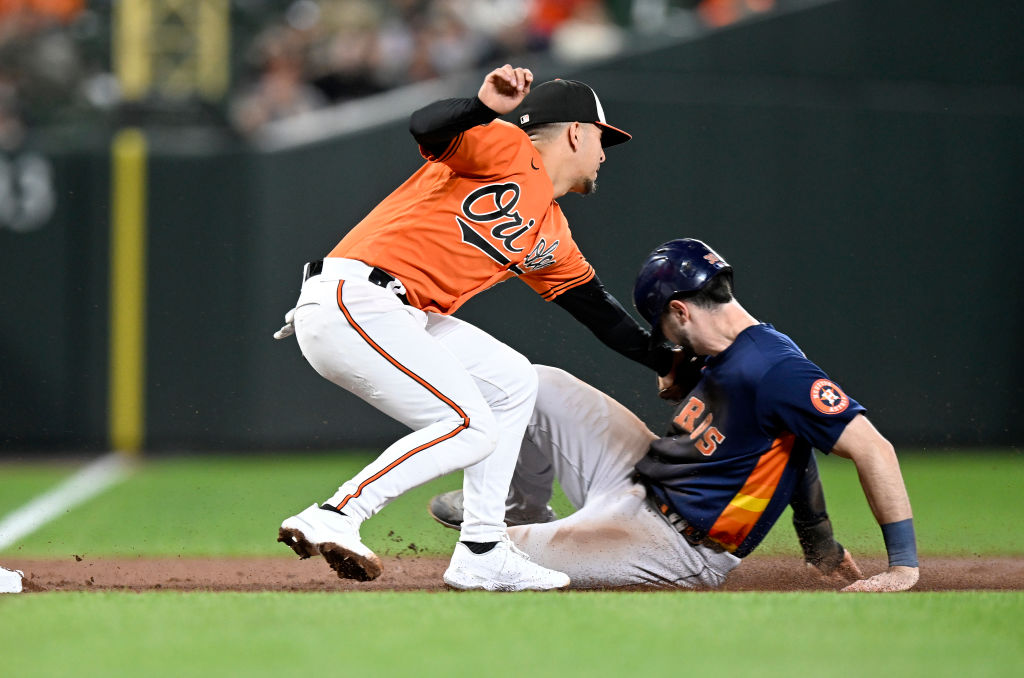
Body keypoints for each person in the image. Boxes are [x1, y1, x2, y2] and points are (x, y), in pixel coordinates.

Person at [273, 65, 678, 591]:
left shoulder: (548, 227)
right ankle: (336, 514)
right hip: (357, 298)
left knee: (513, 379)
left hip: (397, 311)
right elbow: (426, 125)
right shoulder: (509, 148)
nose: (604, 154)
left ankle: (483, 549)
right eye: (603, 139)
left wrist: (674, 362)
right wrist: (484, 107)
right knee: (472, 427)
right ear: (577, 132)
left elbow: (598, 313)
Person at [428, 239, 919, 591]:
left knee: (485, 556)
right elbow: (794, 447)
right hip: (635, 477)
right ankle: (522, 506)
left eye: (664, 326)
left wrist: (902, 566)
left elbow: (875, 449)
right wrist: (819, 542)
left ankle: (512, 532)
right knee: (538, 383)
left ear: (681, 310)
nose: (667, 341)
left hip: (670, 543)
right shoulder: (724, 352)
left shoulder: (776, 369)